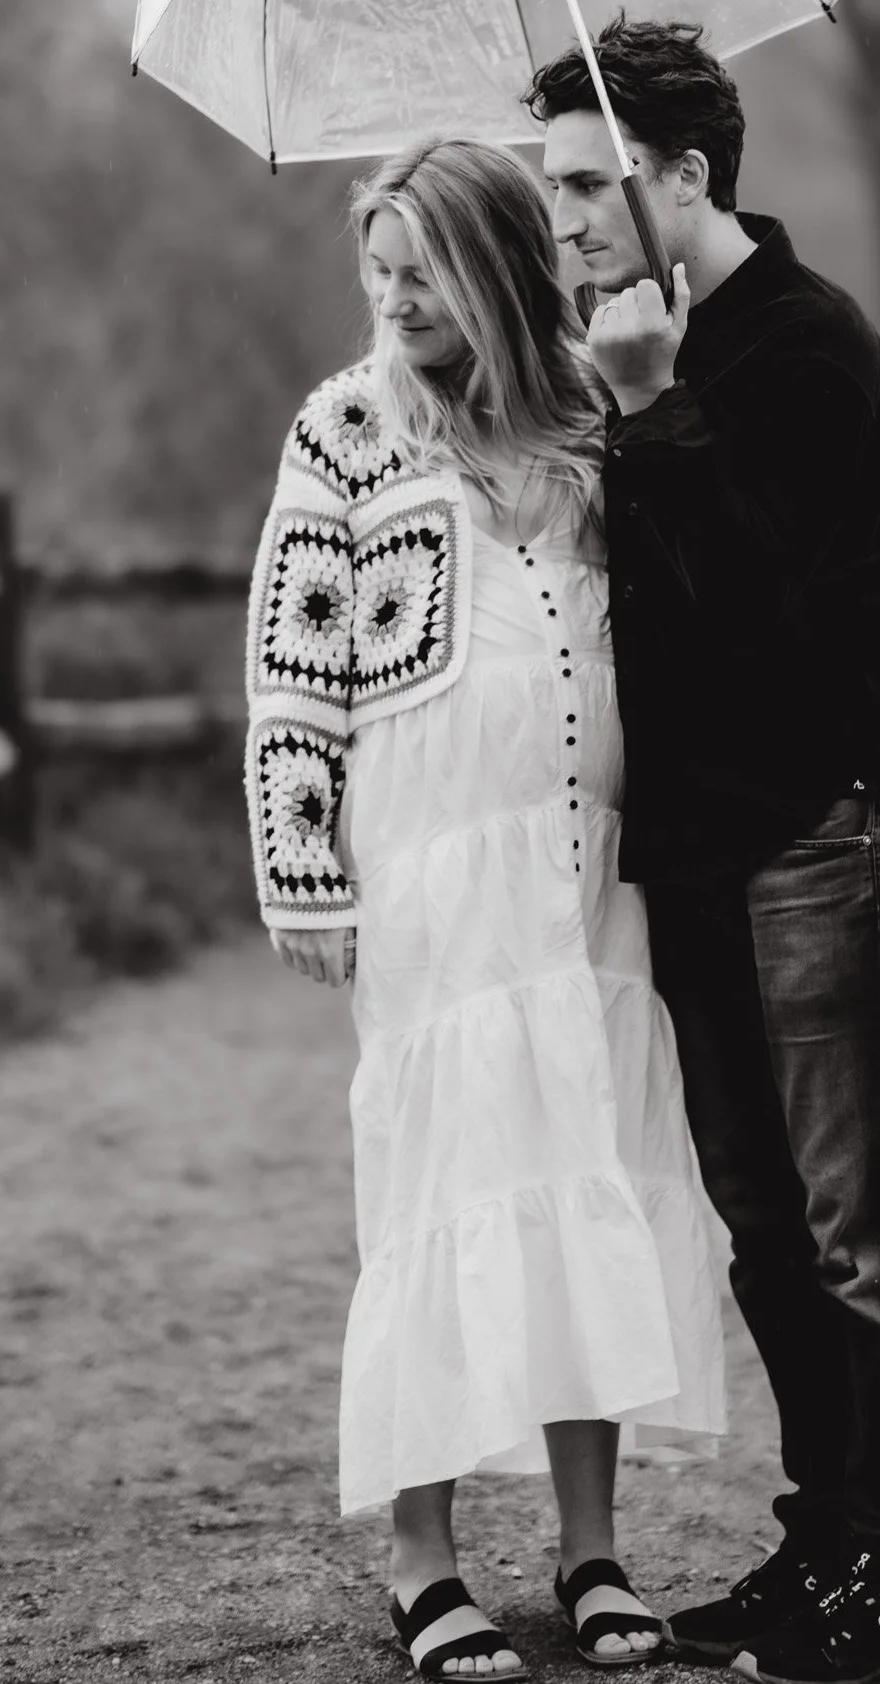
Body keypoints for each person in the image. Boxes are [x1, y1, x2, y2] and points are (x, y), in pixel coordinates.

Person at [244, 136, 725, 1681]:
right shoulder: (347, 429)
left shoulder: (594, 405)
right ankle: (423, 1559)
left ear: (495, 263)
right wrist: (300, 862)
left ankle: (593, 1551)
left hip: (588, 863)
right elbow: (293, 661)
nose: (391, 300)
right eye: (374, 272)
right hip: (434, 866)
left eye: (419, 272)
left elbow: (729, 572)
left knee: (585, 1165)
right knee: (445, 1182)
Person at [524, 19, 880, 1684]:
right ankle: (830, 1533)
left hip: (823, 833)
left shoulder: (803, 346)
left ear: (683, 174)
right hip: (695, 855)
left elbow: (788, 625)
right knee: (762, 1233)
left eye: (586, 185)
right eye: (550, 189)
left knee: (863, 1229)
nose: (563, 222)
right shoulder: (617, 347)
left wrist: (655, 407)